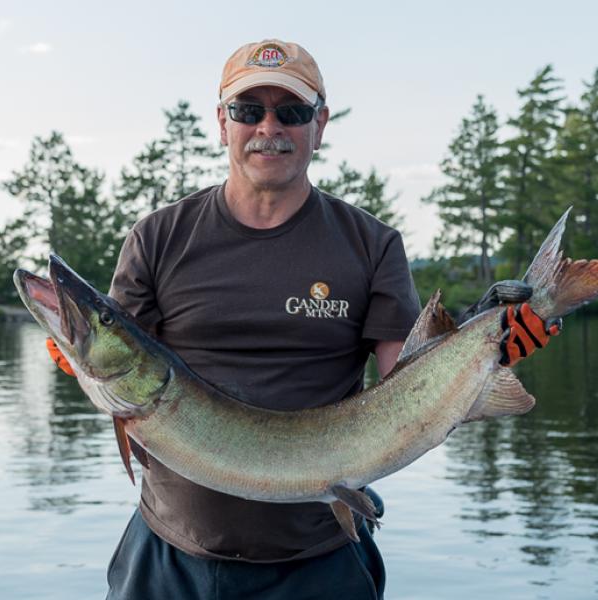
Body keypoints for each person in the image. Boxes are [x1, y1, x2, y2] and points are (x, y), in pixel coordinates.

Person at [46, 39, 559, 600]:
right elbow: (124, 353)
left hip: (320, 565)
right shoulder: (158, 237)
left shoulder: (371, 244)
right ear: (222, 123)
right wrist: (80, 351)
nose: (269, 126)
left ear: (320, 123)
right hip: (170, 557)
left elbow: (406, 381)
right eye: (248, 110)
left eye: (290, 111)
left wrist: (482, 347)